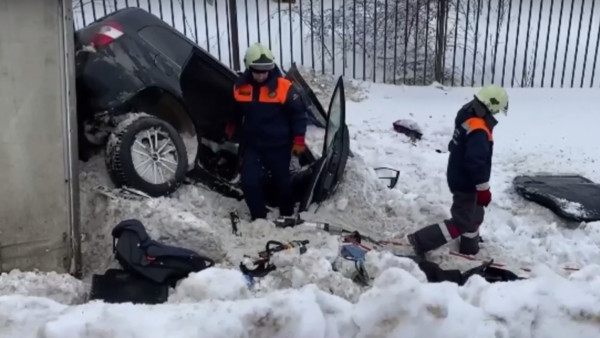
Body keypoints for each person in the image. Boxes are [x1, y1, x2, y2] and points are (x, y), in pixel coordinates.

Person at [407, 85, 509, 256]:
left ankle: (470, 247)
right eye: (496, 111)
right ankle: (421, 240)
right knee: (462, 221)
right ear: (491, 107)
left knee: (475, 214)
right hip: (466, 181)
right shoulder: (479, 130)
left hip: (460, 174)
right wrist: (483, 189)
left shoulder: (467, 115)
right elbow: (476, 163)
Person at [225, 43, 308, 222]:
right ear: (249, 68)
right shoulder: (240, 87)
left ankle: (286, 215)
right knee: (249, 182)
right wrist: (232, 125)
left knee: (283, 183)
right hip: (254, 145)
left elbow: (299, 114)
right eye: (257, 71)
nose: (262, 75)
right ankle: (259, 218)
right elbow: (236, 110)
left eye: (265, 71)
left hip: (279, 146)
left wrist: (299, 140)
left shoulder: (284, 87)